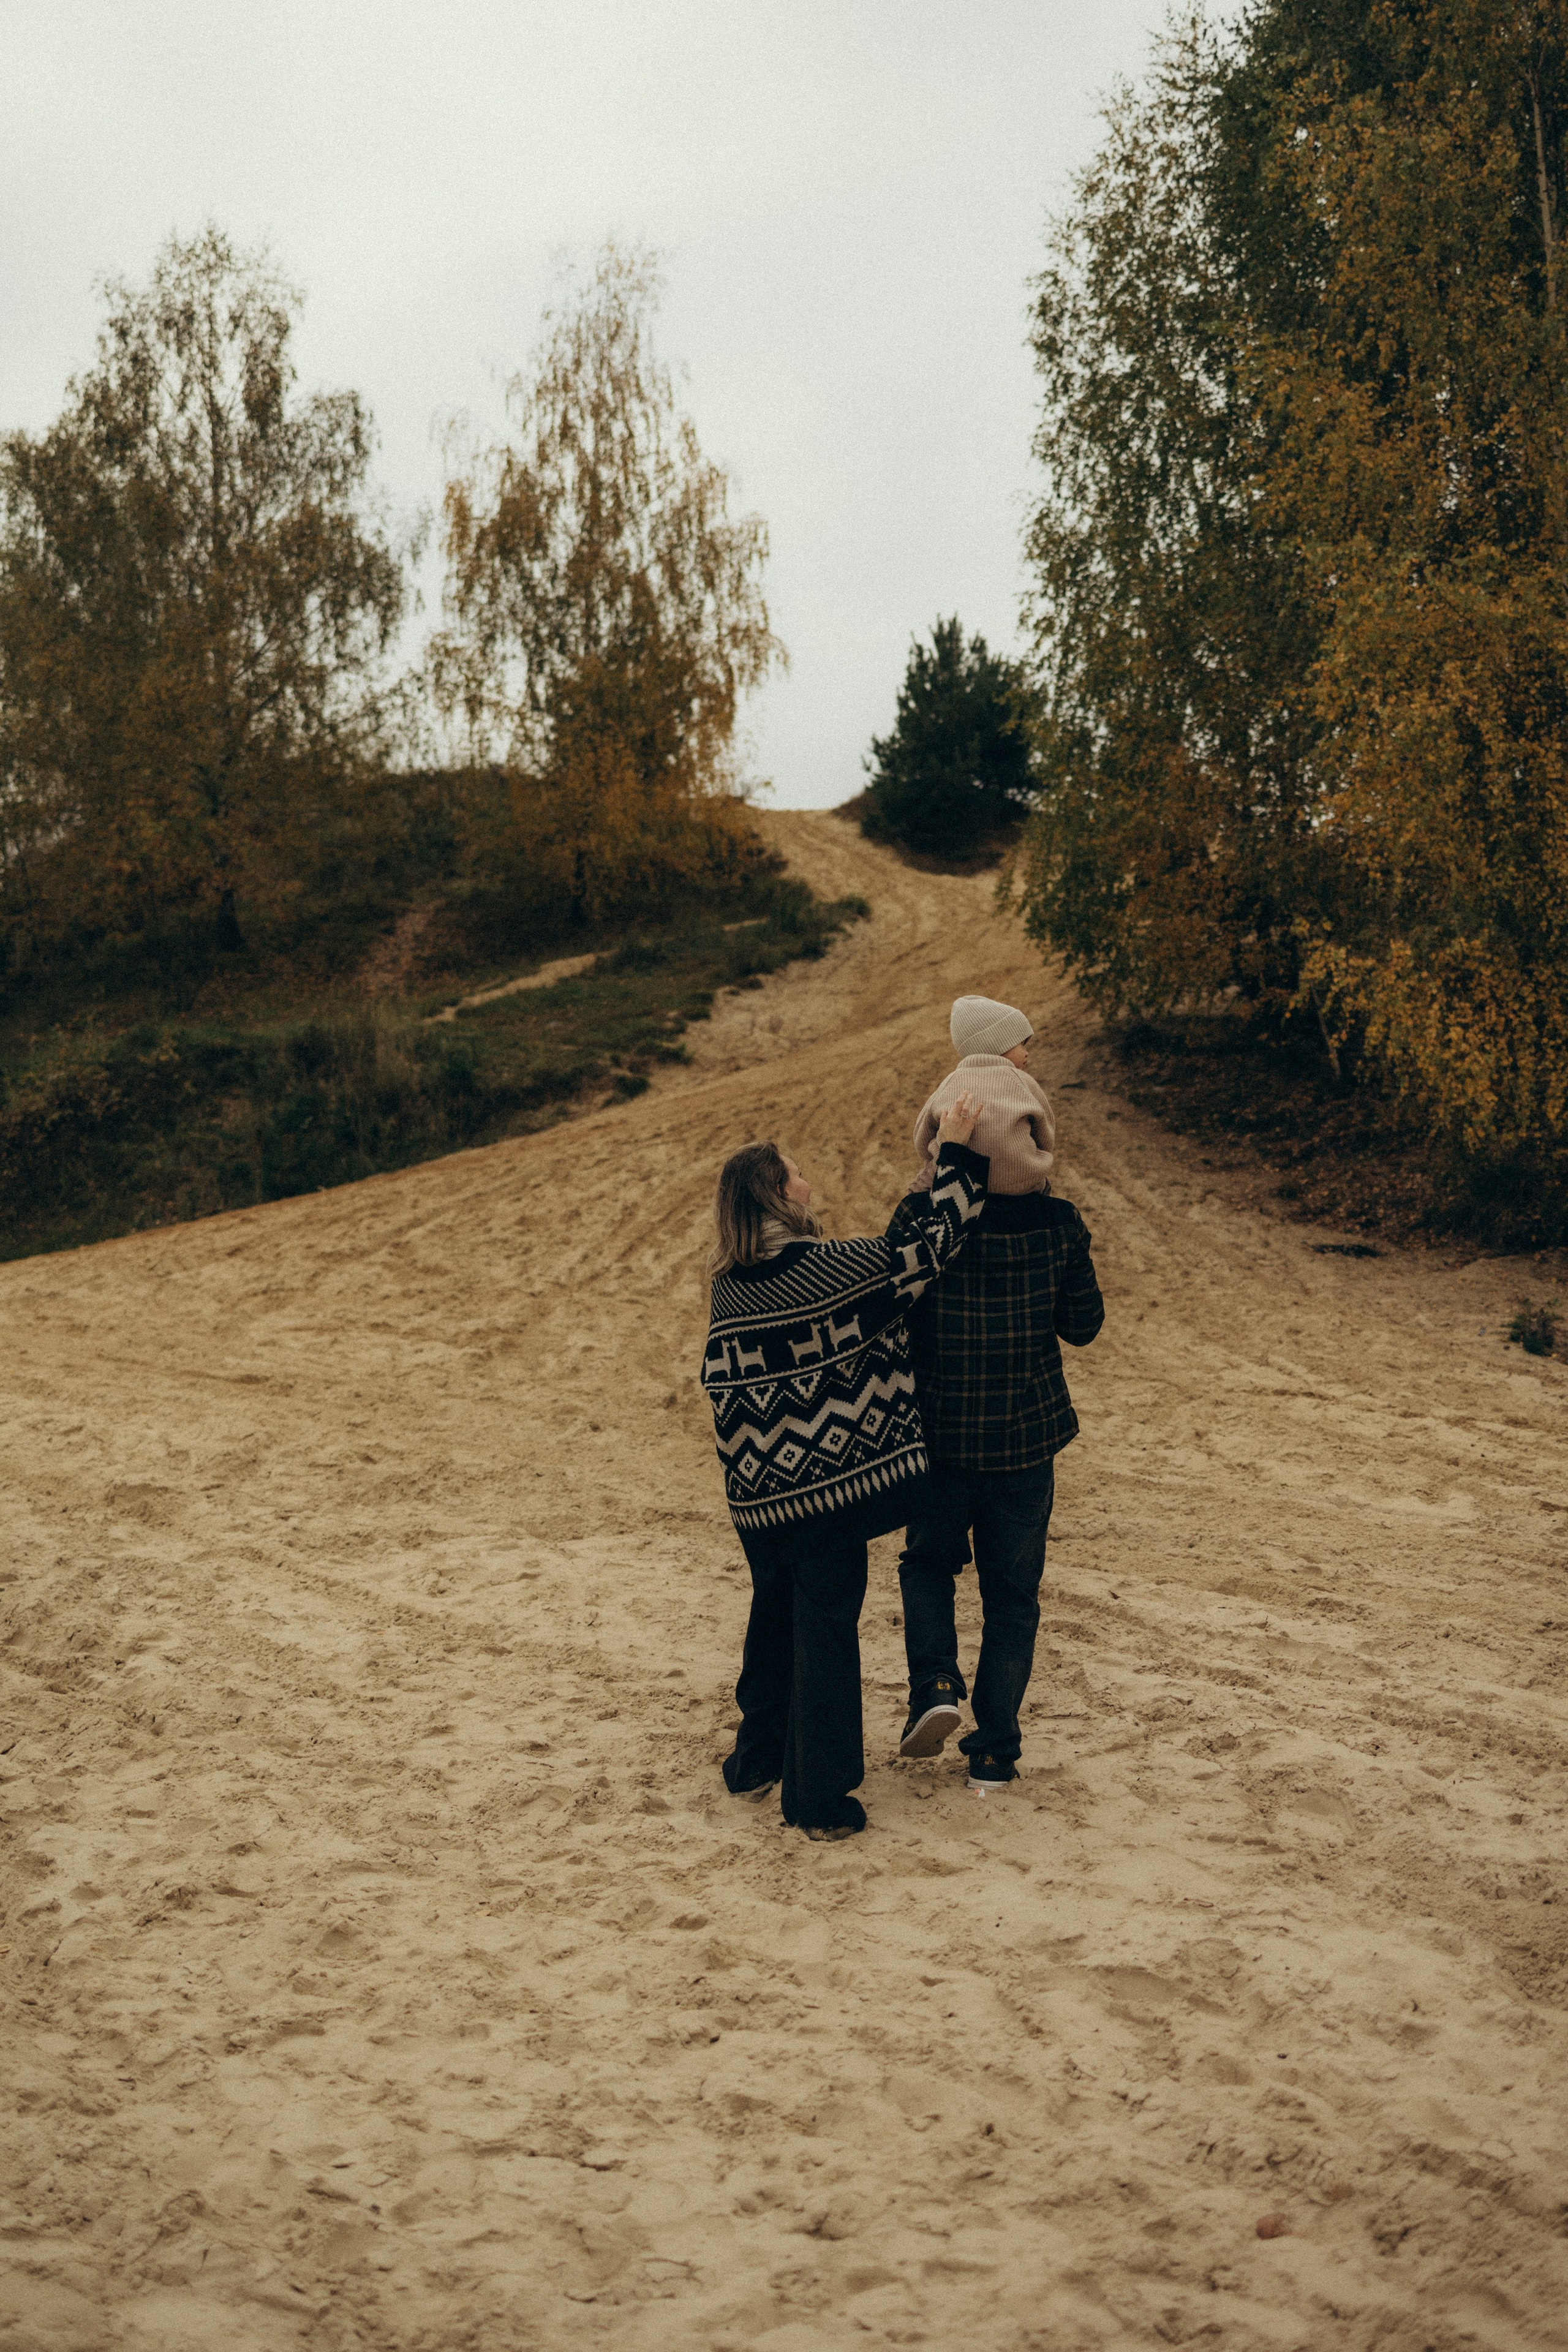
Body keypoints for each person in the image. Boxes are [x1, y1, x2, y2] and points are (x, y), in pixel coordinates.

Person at [701, 1107, 985, 1840]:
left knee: (773, 1622)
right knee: (826, 1632)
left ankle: (755, 1763)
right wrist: (958, 1153)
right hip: (825, 1492)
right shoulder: (826, 1269)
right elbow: (934, 1245)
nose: (806, 1182)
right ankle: (819, 1802)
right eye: (795, 1174)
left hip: (757, 1495)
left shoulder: (729, 1284)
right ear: (776, 1196)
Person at [895, 1098, 1104, 1794]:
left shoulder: (922, 1217)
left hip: (940, 1436)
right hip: (1025, 1437)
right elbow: (1083, 1326)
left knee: (928, 1566)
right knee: (1012, 1598)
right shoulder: (1059, 1223)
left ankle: (934, 1684)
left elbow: (893, 1312)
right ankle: (994, 1753)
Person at [909, 994, 1055, 1196]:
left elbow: (922, 1138)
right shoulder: (1022, 1082)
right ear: (998, 1043)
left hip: (960, 1185)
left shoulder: (949, 1083)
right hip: (1022, 1186)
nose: (1026, 1053)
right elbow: (1046, 1136)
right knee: (1048, 1192)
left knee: (917, 1190)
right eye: (1022, 1044)